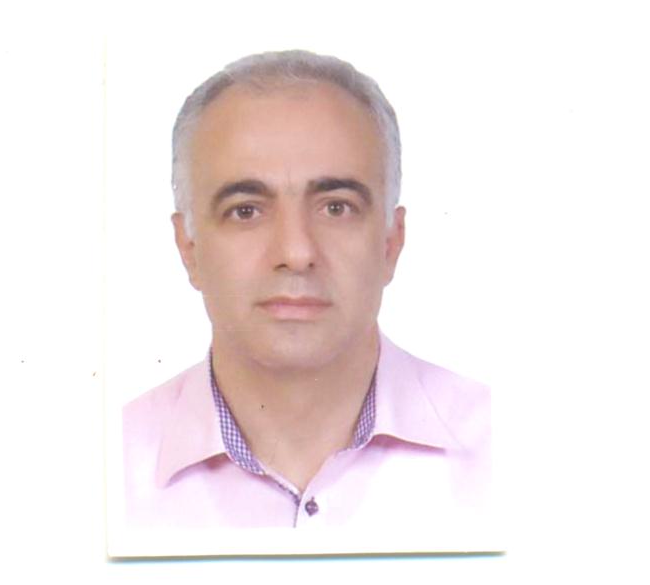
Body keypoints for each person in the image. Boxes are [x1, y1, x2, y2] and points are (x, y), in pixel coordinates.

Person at [122, 50, 492, 534]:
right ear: (188, 247)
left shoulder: (509, 450)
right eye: (246, 210)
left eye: (336, 207)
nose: (296, 253)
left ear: (391, 241)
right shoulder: (102, 465)